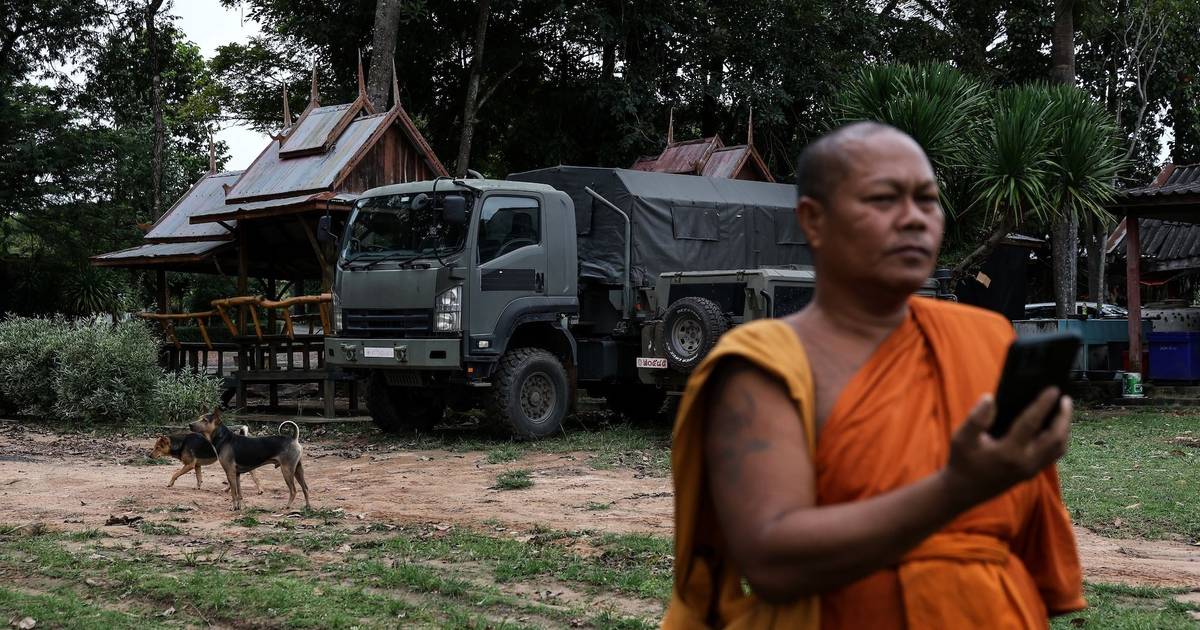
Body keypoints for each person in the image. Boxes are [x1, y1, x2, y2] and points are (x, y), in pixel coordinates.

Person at [663, 122, 1084, 629]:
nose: (914, 220)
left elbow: (1025, 538)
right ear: (814, 220)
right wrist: (954, 489)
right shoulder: (765, 365)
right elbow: (774, 561)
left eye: (927, 200)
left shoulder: (985, 338)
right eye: (884, 199)